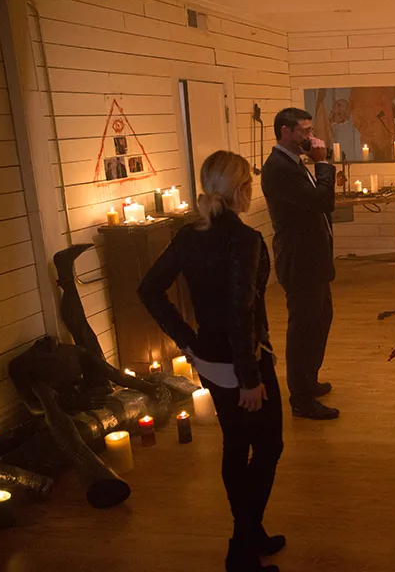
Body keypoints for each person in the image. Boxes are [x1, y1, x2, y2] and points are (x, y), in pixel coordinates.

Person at [138, 151, 284, 572]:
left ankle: (251, 534)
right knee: (268, 446)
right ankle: (242, 546)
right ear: (242, 189)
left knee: (236, 444)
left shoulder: (188, 235)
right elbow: (241, 312)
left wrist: (188, 342)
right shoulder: (244, 239)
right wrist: (249, 378)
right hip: (243, 362)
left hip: (211, 357)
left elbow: (149, 290)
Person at [260, 108, 339, 420]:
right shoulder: (279, 168)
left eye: (310, 130)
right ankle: (301, 399)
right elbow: (322, 201)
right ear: (285, 132)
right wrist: (322, 163)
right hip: (299, 257)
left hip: (312, 256)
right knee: (303, 327)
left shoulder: (292, 162)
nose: (311, 137)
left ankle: (309, 379)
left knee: (320, 319)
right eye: (304, 131)